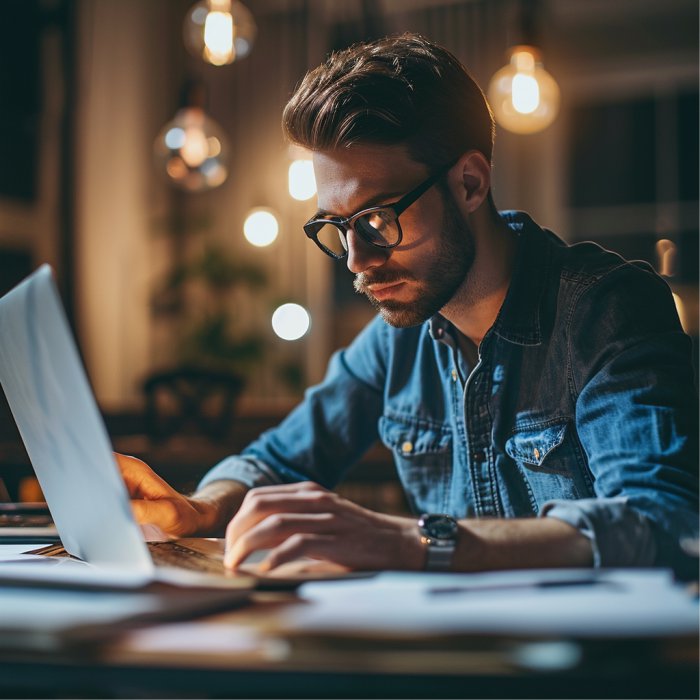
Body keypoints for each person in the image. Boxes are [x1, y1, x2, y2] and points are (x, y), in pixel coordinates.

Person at [118, 34, 698, 577]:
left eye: (375, 219)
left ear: (469, 184)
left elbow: (660, 522)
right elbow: (275, 460)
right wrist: (199, 508)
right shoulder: (397, 336)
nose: (355, 260)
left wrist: (409, 542)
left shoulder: (606, 311)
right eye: (337, 227)